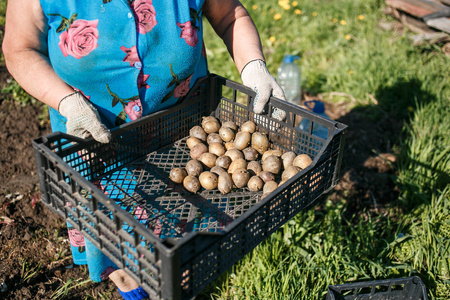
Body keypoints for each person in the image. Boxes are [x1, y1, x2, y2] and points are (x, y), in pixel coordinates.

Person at [3, 0, 286, 298]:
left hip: (184, 139)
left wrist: (254, 66)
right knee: (119, 249)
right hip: (95, 143)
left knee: (184, 238)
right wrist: (65, 101)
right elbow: (19, 49)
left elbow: (231, 15)